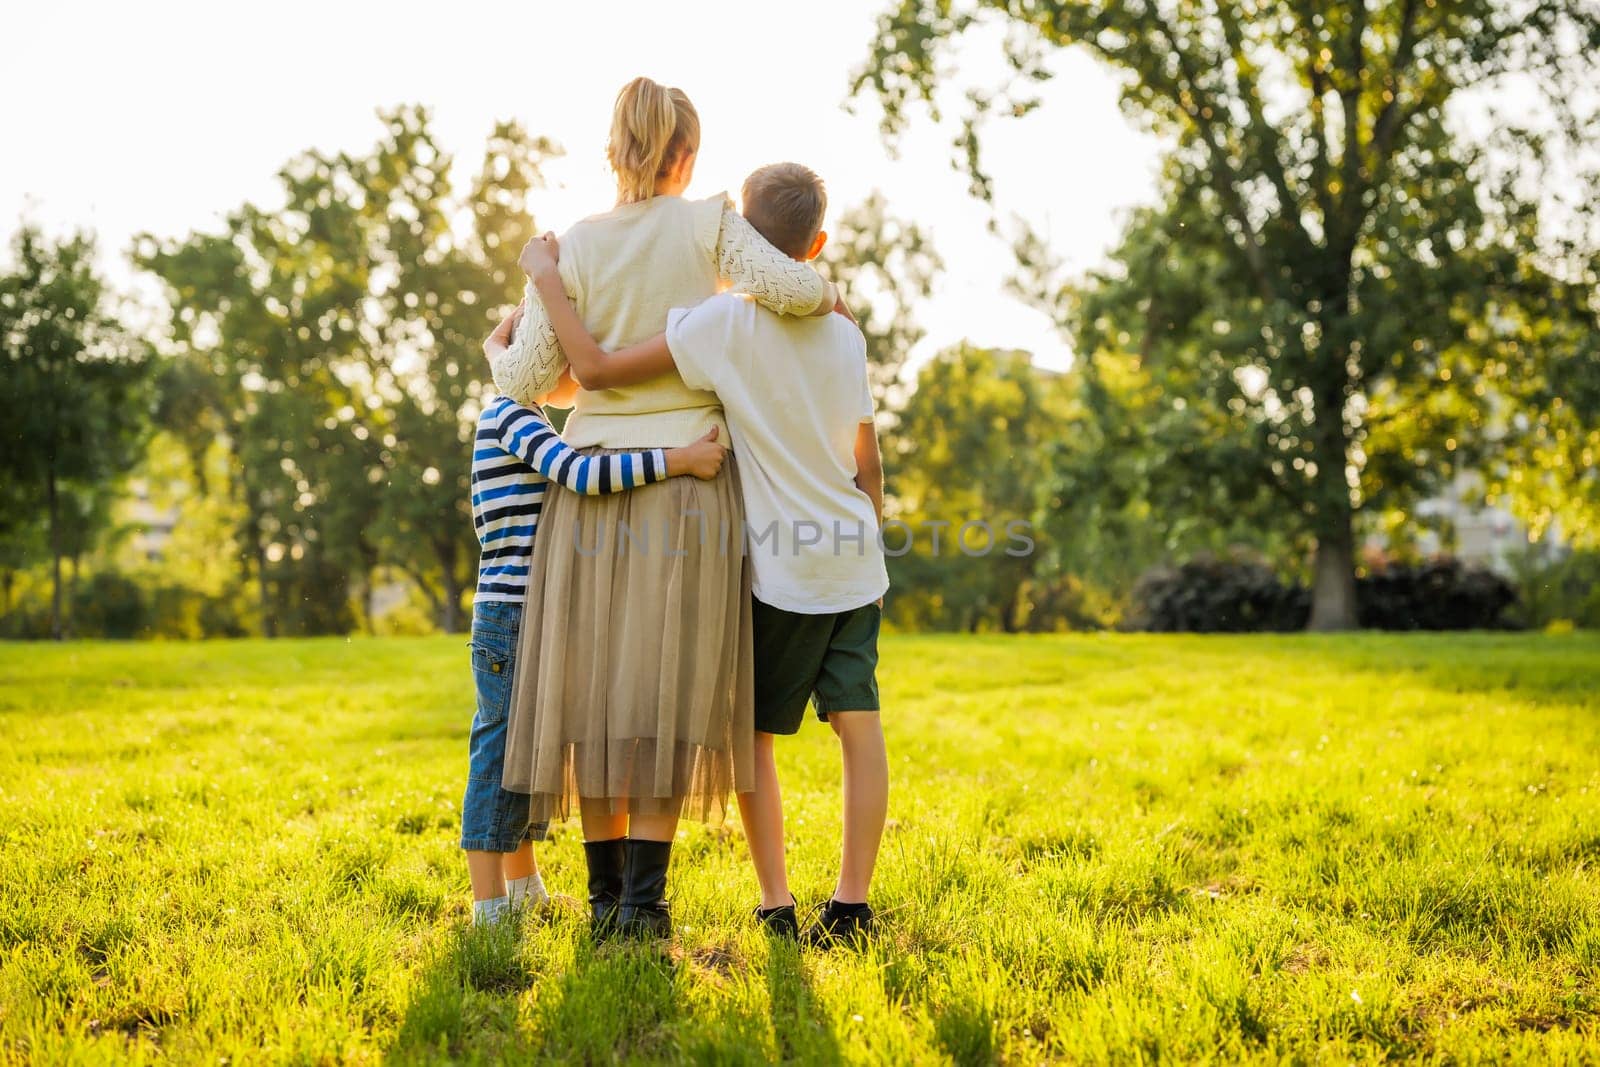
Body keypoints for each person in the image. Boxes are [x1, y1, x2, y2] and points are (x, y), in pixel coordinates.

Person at [483, 77, 840, 940]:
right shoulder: (711, 222)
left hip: (591, 488)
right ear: (688, 153)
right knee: (664, 699)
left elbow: (526, 379)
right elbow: (793, 287)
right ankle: (645, 906)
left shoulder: (569, 248)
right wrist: (825, 295)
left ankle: (605, 906)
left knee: (597, 700)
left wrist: (504, 340)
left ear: (615, 149)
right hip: (686, 484)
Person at [461, 377, 726, 927]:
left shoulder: (522, 413)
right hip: (513, 615)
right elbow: (582, 476)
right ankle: (487, 907)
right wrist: (678, 460)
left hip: (532, 613)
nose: (580, 376)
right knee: (499, 751)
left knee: (528, 752)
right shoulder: (514, 417)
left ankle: (524, 887)